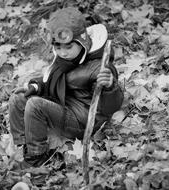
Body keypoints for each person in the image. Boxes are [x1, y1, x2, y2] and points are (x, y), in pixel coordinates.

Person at [8, 7, 124, 169]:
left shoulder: (99, 68)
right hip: (65, 105)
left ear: (82, 41)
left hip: (83, 120)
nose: (63, 52)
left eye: (68, 47)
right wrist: (36, 85)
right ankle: (23, 146)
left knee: (35, 105)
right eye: (58, 47)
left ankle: (36, 157)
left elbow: (110, 107)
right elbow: (52, 79)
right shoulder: (66, 60)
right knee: (18, 98)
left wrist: (110, 87)